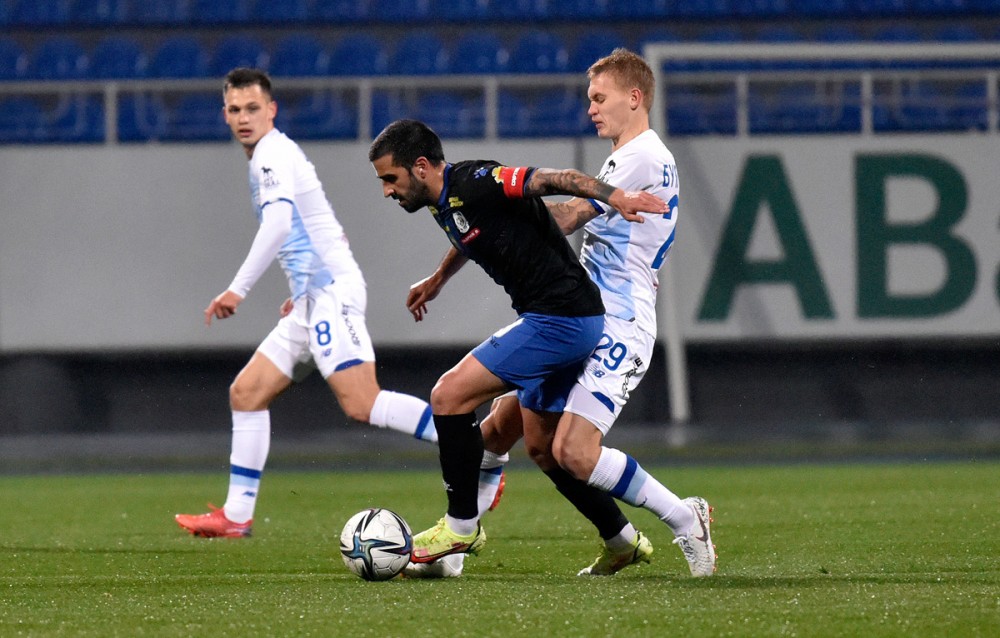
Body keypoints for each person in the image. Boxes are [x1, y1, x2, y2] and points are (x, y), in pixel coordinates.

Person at [406, 49, 716, 579]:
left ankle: (686, 517)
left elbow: (569, 214)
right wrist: (471, 240)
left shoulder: (642, 156)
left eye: (599, 98)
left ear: (634, 98)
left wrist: (495, 219)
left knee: (572, 451)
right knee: (504, 431)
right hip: (579, 310)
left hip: (618, 321)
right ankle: (460, 547)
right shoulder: (630, 156)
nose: (590, 108)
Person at [368, 119, 669, 566]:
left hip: (561, 320)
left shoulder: (476, 181)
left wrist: (615, 196)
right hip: (563, 318)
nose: (387, 191)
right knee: (543, 448)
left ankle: (461, 527)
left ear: (422, 166)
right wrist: (437, 279)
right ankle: (622, 539)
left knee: (448, 395)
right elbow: (469, 233)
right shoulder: (442, 201)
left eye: (390, 179)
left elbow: (554, 179)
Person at [174, 68, 438, 538]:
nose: (243, 117)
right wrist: (300, 290)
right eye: (234, 109)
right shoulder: (274, 155)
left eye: (252, 108)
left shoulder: (271, 154)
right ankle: (236, 516)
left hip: (330, 292)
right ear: (225, 114)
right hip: (311, 298)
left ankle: (474, 445)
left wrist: (237, 289)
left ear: (271, 110)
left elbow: (279, 226)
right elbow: (314, 225)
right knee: (246, 393)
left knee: (362, 402)